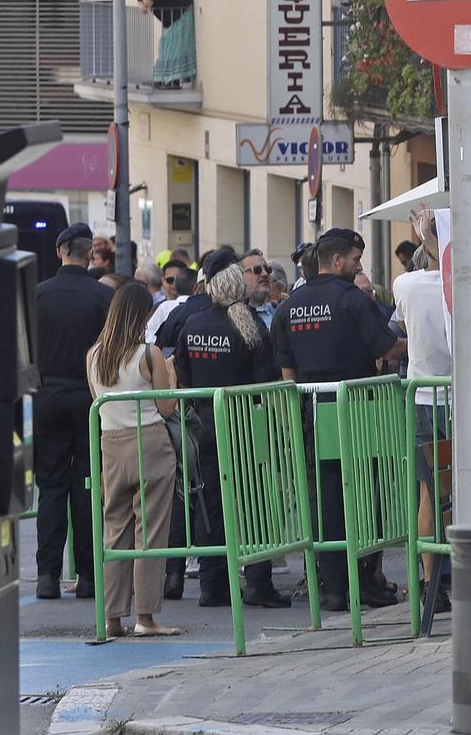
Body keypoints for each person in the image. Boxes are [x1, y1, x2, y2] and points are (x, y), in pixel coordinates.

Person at [273, 228, 406, 612]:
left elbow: (286, 372)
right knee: (366, 497)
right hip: (358, 410)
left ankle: (331, 585)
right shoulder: (352, 301)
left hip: (314, 412)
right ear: (336, 260)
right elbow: (386, 347)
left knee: (325, 500)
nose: (359, 265)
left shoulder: (290, 306)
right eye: (355, 259)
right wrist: (419, 343)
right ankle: (365, 581)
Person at [173, 263, 288, 609]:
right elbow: (265, 378)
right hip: (244, 423)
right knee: (254, 506)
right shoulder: (249, 325)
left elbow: (182, 373)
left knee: (211, 507)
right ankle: (257, 582)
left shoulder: (192, 324)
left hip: (203, 424)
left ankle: (212, 585)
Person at [85, 281, 182, 637]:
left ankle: (111, 618)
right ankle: (146, 617)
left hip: (110, 445)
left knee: (115, 531)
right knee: (150, 531)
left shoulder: (93, 354)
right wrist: (170, 374)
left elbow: (98, 400)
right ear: (141, 315)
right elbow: (166, 407)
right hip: (149, 442)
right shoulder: (148, 353)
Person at [33, 223, 117, 601]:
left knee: (50, 487)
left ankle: (47, 576)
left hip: (47, 394)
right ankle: (87, 575)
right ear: (88, 254)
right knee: (87, 487)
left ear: (60, 250)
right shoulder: (102, 297)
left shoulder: (37, 295)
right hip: (89, 397)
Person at [392, 211, 454, 605]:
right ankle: (464, 574)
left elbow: (398, 325)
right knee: (467, 489)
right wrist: (435, 238)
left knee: (428, 494)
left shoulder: (405, 284)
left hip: (420, 396)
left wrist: (426, 235)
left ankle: (431, 582)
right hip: (461, 398)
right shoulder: (463, 284)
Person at [131, 0, 195, 86]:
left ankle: (174, 80)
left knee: (175, 45)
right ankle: (163, 78)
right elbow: (141, 2)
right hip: (168, 18)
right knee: (165, 45)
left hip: (180, 12)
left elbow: (148, 3)